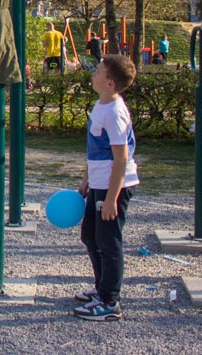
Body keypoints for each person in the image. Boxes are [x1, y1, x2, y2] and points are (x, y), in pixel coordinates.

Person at [73, 54, 139, 322]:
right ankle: (101, 288)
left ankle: (110, 302)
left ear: (110, 83)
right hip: (99, 184)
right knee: (90, 237)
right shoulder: (101, 105)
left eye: (98, 72)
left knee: (108, 243)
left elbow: (120, 159)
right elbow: (96, 150)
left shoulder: (114, 113)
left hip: (114, 187)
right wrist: (86, 178)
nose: (94, 74)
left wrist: (112, 199)